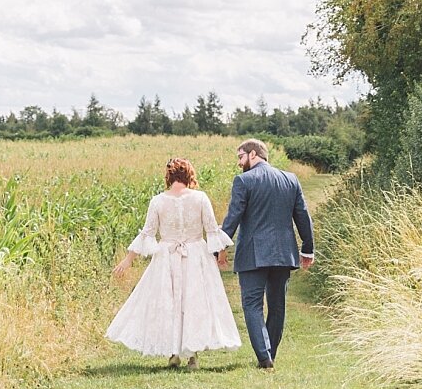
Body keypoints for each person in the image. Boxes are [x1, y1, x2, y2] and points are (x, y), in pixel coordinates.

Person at [106, 157, 240, 369]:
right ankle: (192, 356)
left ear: (169, 176)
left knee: (169, 303)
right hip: (196, 255)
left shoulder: (158, 201)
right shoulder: (201, 198)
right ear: (189, 176)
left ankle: (173, 354)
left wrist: (128, 259)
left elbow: (147, 233)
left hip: (167, 257)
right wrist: (221, 254)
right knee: (194, 303)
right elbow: (212, 229)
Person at [216, 139, 315, 370]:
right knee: (277, 305)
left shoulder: (244, 180)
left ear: (253, 154)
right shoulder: (290, 179)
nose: (239, 163)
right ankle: (269, 354)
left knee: (252, 305)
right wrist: (307, 248)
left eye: (240, 157)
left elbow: (233, 218)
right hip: (283, 253)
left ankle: (264, 356)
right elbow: (303, 216)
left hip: (253, 254)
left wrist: (218, 247)